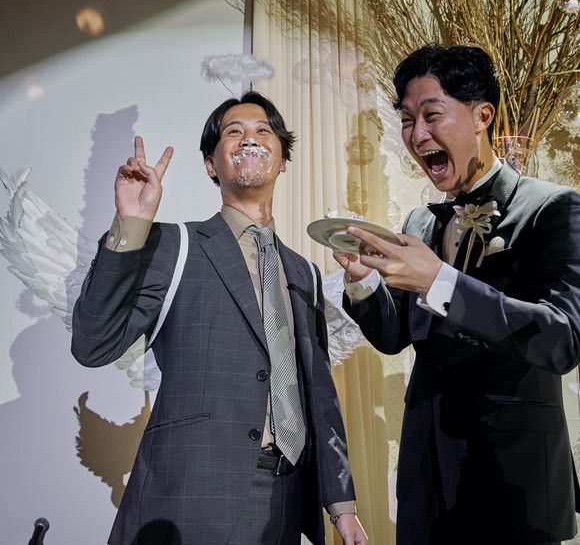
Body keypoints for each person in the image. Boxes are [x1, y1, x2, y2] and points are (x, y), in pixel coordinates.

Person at [72, 91, 367, 545]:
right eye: (234, 131)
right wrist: (131, 223)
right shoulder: (174, 246)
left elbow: (319, 395)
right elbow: (93, 344)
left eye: (263, 131)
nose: (250, 138)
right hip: (189, 496)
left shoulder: (304, 272)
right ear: (211, 164)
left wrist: (342, 505)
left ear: (283, 161)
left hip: (284, 503)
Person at [335, 45, 580, 545]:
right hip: (427, 480)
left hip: (515, 484)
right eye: (408, 121)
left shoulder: (554, 208)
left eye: (431, 115)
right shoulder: (420, 222)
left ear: (482, 116)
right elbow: (396, 336)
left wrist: (438, 281)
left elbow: (562, 340)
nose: (417, 135)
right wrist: (362, 282)